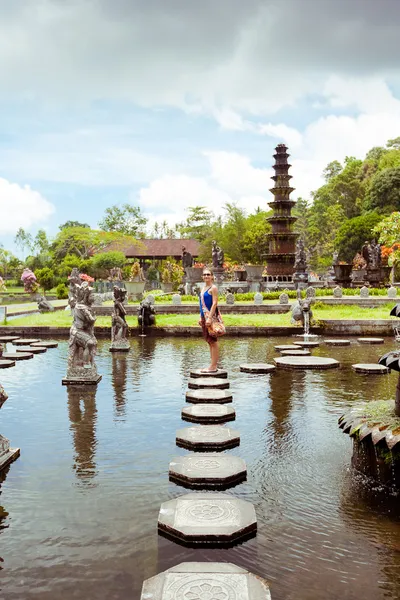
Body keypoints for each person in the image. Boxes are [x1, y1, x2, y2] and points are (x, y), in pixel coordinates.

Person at [199, 267, 220, 373]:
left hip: (210, 317)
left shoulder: (213, 288)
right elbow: (201, 304)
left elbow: (215, 303)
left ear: (212, 276)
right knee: (209, 341)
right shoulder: (203, 289)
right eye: (205, 275)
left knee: (213, 341)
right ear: (202, 277)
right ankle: (212, 364)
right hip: (204, 317)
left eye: (208, 274)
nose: (206, 276)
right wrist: (200, 317)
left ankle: (213, 366)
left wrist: (210, 318)